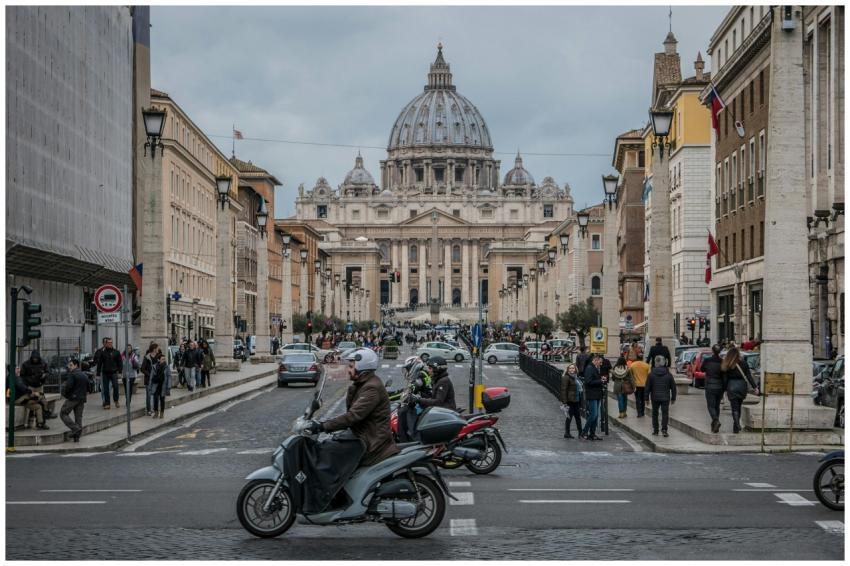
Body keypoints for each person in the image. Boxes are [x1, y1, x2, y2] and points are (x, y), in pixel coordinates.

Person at [308, 348, 400, 466]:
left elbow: (353, 416)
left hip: (371, 443)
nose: (348, 370)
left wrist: (322, 426)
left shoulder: (371, 388)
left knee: (329, 453)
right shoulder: (363, 384)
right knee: (329, 445)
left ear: (362, 368)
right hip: (363, 436)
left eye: (351, 367)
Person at [722, 347, 759, 433]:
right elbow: (749, 376)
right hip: (742, 386)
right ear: (738, 354)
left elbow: (725, 379)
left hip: (731, 386)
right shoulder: (744, 363)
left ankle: (737, 424)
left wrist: (724, 389)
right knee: (738, 406)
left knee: (734, 408)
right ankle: (736, 427)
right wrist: (755, 387)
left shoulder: (727, 364)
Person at [19, 350, 55, 421]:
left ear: (38, 358)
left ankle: (42, 419)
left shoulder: (43, 363)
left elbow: (48, 372)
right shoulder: (26, 364)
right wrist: (28, 382)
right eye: (34, 358)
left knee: (41, 401)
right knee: (32, 401)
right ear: (31, 357)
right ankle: (31, 419)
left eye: (36, 358)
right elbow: (22, 376)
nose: (35, 359)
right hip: (30, 386)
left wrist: (45, 375)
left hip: (39, 386)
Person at [645, 355, 677, 437]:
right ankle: (664, 429)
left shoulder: (651, 374)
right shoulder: (669, 374)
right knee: (665, 413)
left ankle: (655, 430)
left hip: (655, 397)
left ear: (655, 363)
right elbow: (673, 387)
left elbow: (647, 387)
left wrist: (646, 398)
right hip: (665, 397)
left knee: (655, 413)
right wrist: (673, 398)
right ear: (664, 363)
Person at [60, 358, 89, 442]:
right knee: (78, 417)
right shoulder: (84, 375)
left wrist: (66, 395)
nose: (69, 367)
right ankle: (77, 437)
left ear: (76, 365)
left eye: (71, 365)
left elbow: (68, 386)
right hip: (82, 399)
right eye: (69, 365)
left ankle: (75, 429)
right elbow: (89, 387)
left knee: (63, 413)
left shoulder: (72, 374)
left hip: (73, 398)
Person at [702, 344, 725, 433]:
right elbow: (724, 374)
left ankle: (716, 420)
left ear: (712, 351)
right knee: (717, 406)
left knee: (711, 406)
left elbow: (702, 369)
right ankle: (715, 425)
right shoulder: (722, 361)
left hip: (710, 385)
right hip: (720, 386)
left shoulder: (707, 360)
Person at [580, 356, 604, 440]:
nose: (600, 364)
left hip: (596, 394)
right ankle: (584, 432)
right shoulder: (590, 368)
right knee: (593, 415)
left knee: (596, 415)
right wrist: (600, 381)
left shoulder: (594, 368)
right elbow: (588, 381)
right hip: (592, 394)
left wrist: (601, 380)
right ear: (595, 360)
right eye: (600, 362)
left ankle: (592, 434)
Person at [96, 337, 123, 409]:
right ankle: (107, 403)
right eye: (109, 343)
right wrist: (98, 374)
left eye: (111, 343)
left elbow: (120, 363)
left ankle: (116, 400)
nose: (110, 344)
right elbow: (99, 364)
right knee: (105, 389)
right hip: (105, 373)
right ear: (106, 343)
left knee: (116, 386)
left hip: (114, 372)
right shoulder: (103, 353)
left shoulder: (116, 352)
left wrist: (120, 372)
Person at [559, 363, 582, 439]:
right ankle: (567, 433)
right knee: (569, 417)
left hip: (576, 400)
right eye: (570, 368)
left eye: (573, 368)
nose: (572, 369)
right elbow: (563, 390)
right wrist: (564, 402)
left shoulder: (575, 377)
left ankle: (580, 433)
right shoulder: (566, 377)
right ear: (568, 370)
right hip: (570, 401)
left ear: (575, 369)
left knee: (578, 417)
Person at [139, 343, 160, 416]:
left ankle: (154, 408)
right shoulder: (147, 357)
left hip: (156, 379)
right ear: (154, 349)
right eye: (157, 348)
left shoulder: (158, 357)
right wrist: (149, 374)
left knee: (156, 395)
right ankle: (148, 410)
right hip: (148, 380)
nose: (158, 349)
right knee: (148, 395)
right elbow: (142, 369)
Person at [150, 352, 172, 418]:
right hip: (156, 385)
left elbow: (169, 376)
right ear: (159, 360)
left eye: (164, 359)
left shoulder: (166, 367)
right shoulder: (154, 366)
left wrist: (169, 386)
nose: (164, 360)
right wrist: (150, 385)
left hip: (163, 385)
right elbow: (151, 376)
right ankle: (156, 412)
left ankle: (162, 413)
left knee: (162, 399)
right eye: (162, 359)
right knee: (155, 399)